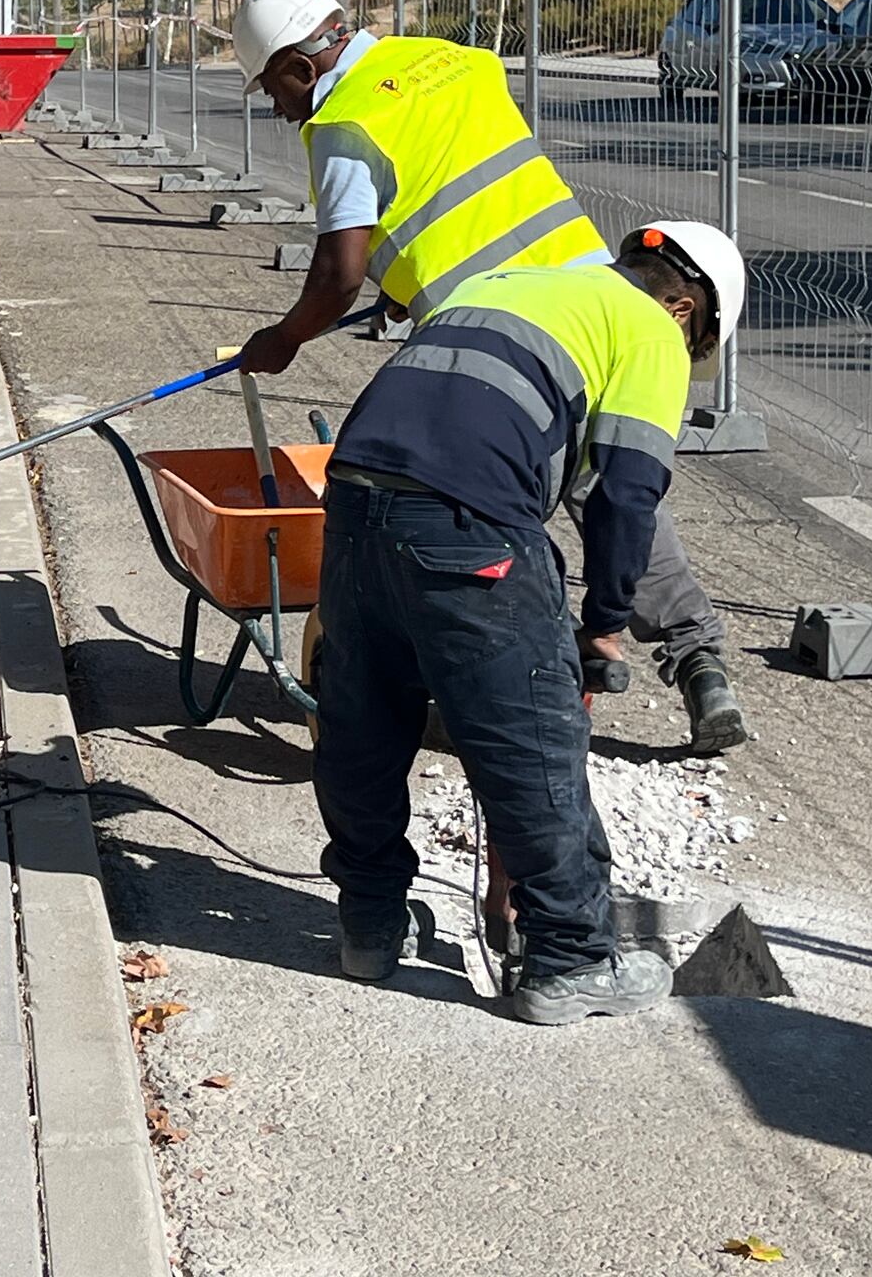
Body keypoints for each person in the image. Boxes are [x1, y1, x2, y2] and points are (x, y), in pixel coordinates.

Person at [230, 0, 749, 751]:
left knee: (494, 499)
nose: (275, 109)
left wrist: (281, 341)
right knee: (613, 485)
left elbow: (337, 276)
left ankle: (497, 686)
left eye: (271, 86)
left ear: (301, 70)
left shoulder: (344, 123)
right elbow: (459, 187)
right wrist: (408, 282)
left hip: (499, 329)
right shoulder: (443, 60)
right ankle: (698, 659)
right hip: (595, 288)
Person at [308, 220, 746, 1022]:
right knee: (531, 737)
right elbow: (625, 495)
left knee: (362, 722)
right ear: (685, 308)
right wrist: (602, 623)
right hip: (470, 522)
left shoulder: (507, 285)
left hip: (352, 507)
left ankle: (367, 929)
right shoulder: (649, 327)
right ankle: (574, 962)